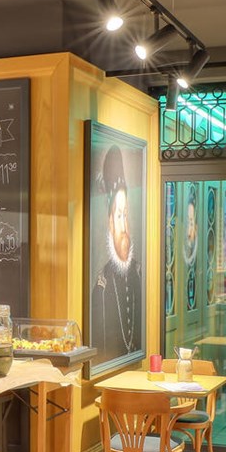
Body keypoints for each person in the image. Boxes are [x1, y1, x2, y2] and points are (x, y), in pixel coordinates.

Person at [91, 145, 143, 361]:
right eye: (119, 216)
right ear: (110, 224)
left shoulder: (138, 272)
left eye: (126, 215)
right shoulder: (102, 285)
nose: (124, 228)